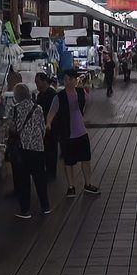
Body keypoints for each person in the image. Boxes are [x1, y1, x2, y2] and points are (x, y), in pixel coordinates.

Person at [47, 69, 100, 198]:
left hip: (81, 131)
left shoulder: (81, 93)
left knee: (86, 159)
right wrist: (48, 123)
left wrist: (84, 116)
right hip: (66, 133)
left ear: (74, 80)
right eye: (65, 79)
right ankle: (71, 186)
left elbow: (89, 103)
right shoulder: (59, 96)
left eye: (68, 79)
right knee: (68, 162)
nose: (66, 82)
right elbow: (52, 112)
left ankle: (88, 184)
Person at [9, 84, 50, 218]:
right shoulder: (37, 108)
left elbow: (12, 130)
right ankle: (45, 206)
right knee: (40, 178)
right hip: (38, 149)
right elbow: (43, 128)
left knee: (23, 181)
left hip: (22, 150)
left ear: (16, 96)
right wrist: (38, 140)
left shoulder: (14, 110)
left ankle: (25, 210)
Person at [34, 73, 60, 180]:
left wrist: (49, 123)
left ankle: (51, 173)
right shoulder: (40, 95)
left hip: (51, 127)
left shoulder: (52, 94)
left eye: (38, 82)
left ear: (44, 81)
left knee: (51, 150)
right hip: (42, 127)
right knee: (45, 149)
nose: (36, 85)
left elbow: (55, 111)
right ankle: (46, 171)